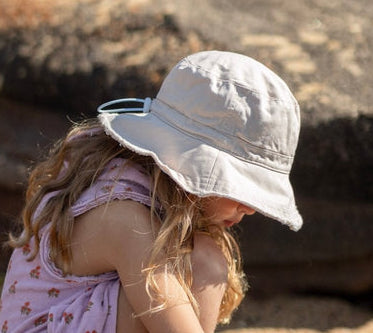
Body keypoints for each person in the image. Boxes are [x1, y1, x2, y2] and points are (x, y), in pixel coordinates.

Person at [0, 50, 302, 333]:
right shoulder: (121, 219)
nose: (250, 208)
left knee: (203, 254)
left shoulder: (136, 185)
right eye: (242, 190)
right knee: (207, 261)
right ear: (192, 165)